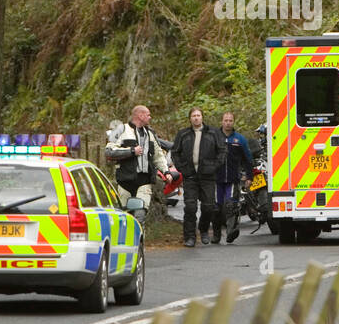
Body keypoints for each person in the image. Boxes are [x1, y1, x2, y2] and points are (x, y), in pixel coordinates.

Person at [171, 107, 226, 247]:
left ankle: (203, 230)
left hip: (208, 176)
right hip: (190, 176)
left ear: (202, 117)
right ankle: (189, 237)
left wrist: (214, 166)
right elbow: (175, 152)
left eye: (198, 115)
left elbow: (222, 151)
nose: (196, 118)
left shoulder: (213, 133)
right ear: (190, 118)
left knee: (208, 207)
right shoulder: (183, 134)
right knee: (190, 207)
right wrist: (182, 168)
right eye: (193, 115)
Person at [104, 105, 173, 216]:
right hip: (124, 180)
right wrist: (131, 151)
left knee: (140, 214)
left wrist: (166, 172)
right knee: (125, 215)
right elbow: (109, 152)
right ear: (140, 115)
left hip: (144, 181)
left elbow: (158, 156)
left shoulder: (150, 134)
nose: (150, 117)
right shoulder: (122, 129)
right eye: (148, 115)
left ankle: (141, 232)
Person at [214, 111, 251, 244]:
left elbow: (248, 159)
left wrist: (249, 176)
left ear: (233, 122)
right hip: (216, 179)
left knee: (231, 206)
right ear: (222, 122)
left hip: (232, 178)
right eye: (226, 120)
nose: (228, 122)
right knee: (216, 207)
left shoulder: (240, 139)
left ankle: (231, 232)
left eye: (230, 120)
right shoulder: (215, 137)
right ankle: (216, 234)